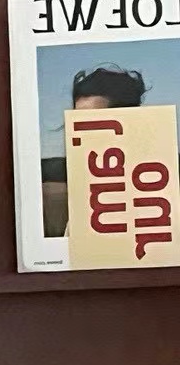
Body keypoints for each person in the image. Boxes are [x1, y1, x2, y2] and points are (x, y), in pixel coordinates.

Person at [41, 66, 148, 237]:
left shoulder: (160, 189)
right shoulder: (74, 199)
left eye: (95, 124)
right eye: (78, 124)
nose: (84, 135)